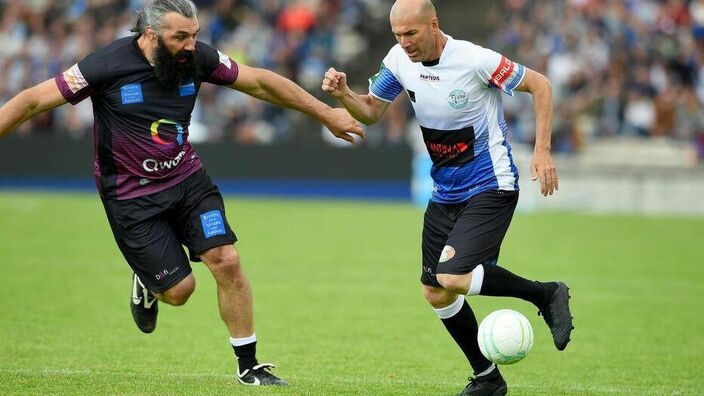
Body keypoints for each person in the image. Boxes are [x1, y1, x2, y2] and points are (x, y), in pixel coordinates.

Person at [0, 0, 364, 387]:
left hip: (187, 180)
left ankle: (249, 366)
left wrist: (326, 114)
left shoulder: (197, 57)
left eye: (195, 35)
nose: (191, 45)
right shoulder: (104, 65)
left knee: (226, 259)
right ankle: (148, 279)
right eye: (181, 37)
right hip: (130, 196)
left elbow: (259, 82)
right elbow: (32, 101)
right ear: (151, 35)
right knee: (179, 292)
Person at [321, 1, 573, 395]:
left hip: (492, 184)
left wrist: (542, 150)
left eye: (411, 34)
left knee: (451, 277)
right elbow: (371, 112)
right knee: (435, 290)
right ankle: (487, 378)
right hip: (445, 192)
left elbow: (540, 84)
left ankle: (546, 293)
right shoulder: (399, 61)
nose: (404, 43)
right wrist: (343, 95)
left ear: (433, 25)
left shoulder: (475, 60)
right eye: (397, 35)